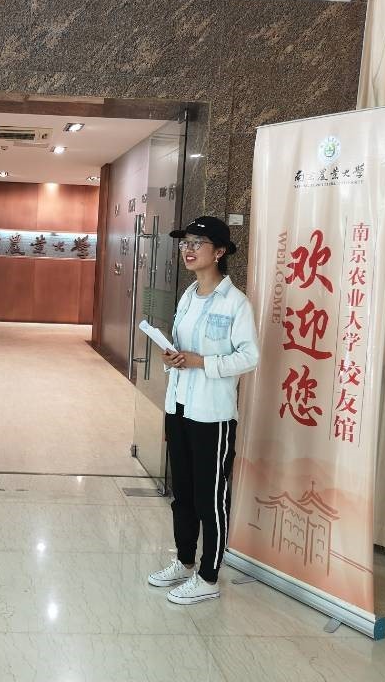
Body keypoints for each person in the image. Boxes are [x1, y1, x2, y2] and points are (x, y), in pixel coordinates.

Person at [146, 216, 259, 605]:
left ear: (220, 251)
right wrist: (173, 357)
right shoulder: (188, 296)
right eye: (184, 243)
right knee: (183, 493)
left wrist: (202, 363)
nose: (188, 249)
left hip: (213, 415)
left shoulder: (236, 303)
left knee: (210, 498)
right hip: (179, 406)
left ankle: (209, 577)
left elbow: (249, 356)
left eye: (197, 243)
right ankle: (184, 561)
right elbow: (183, 348)